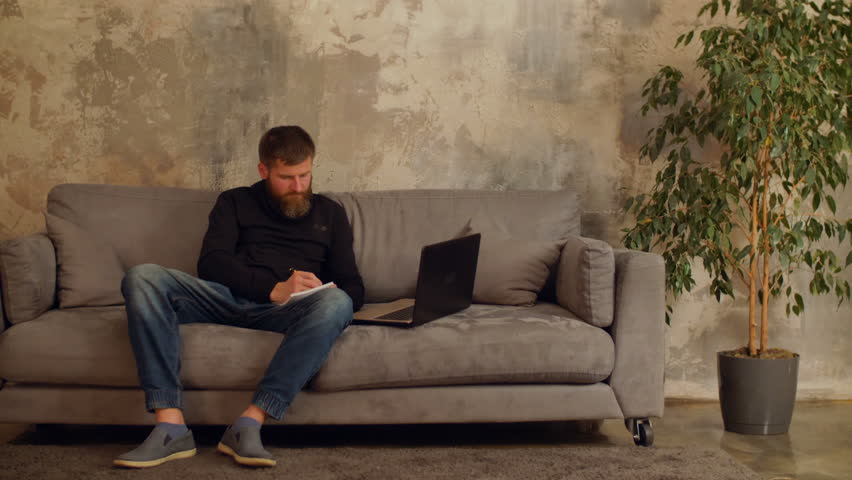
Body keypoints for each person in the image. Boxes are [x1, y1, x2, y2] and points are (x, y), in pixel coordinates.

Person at [113, 126, 364, 468]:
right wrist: (272, 288)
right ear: (263, 170)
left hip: (290, 312)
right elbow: (212, 263)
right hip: (225, 299)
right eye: (286, 177)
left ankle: (249, 423)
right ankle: (170, 428)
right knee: (143, 277)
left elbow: (353, 285)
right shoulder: (235, 201)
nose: (298, 186)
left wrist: (326, 293)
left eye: (305, 175)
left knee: (339, 303)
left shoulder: (330, 213)